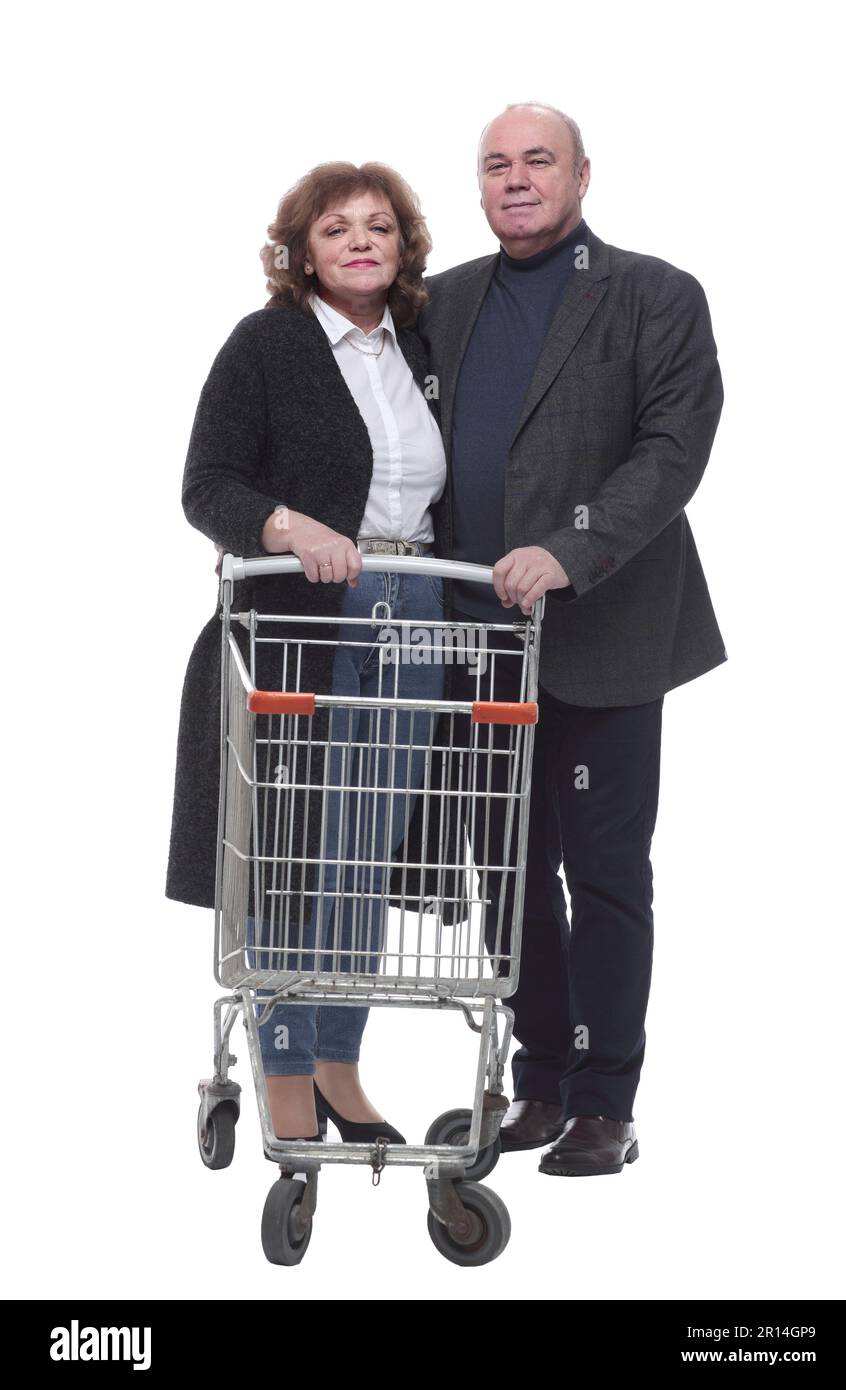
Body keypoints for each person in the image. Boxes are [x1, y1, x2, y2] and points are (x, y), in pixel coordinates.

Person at [417, 102, 726, 1176]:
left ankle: (603, 1097)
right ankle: (539, 1076)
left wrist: (566, 547)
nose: (513, 179)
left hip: (602, 630)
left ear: (581, 175)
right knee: (504, 869)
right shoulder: (441, 302)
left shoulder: (652, 294)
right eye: (494, 164)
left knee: (600, 874)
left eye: (534, 160)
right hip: (471, 642)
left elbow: (671, 448)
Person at [165, 162, 448, 1144]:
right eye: (336, 229)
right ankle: (284, 1067)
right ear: (302, 250)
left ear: (404, 248)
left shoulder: (419, 347)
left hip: (418, 611)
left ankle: (339, 1063)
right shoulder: (270, 343)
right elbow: (208, 485)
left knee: (363, 855)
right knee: (287, 848)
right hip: (304, 615)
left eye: (380, 227)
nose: (361, 242)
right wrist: (286, 526)